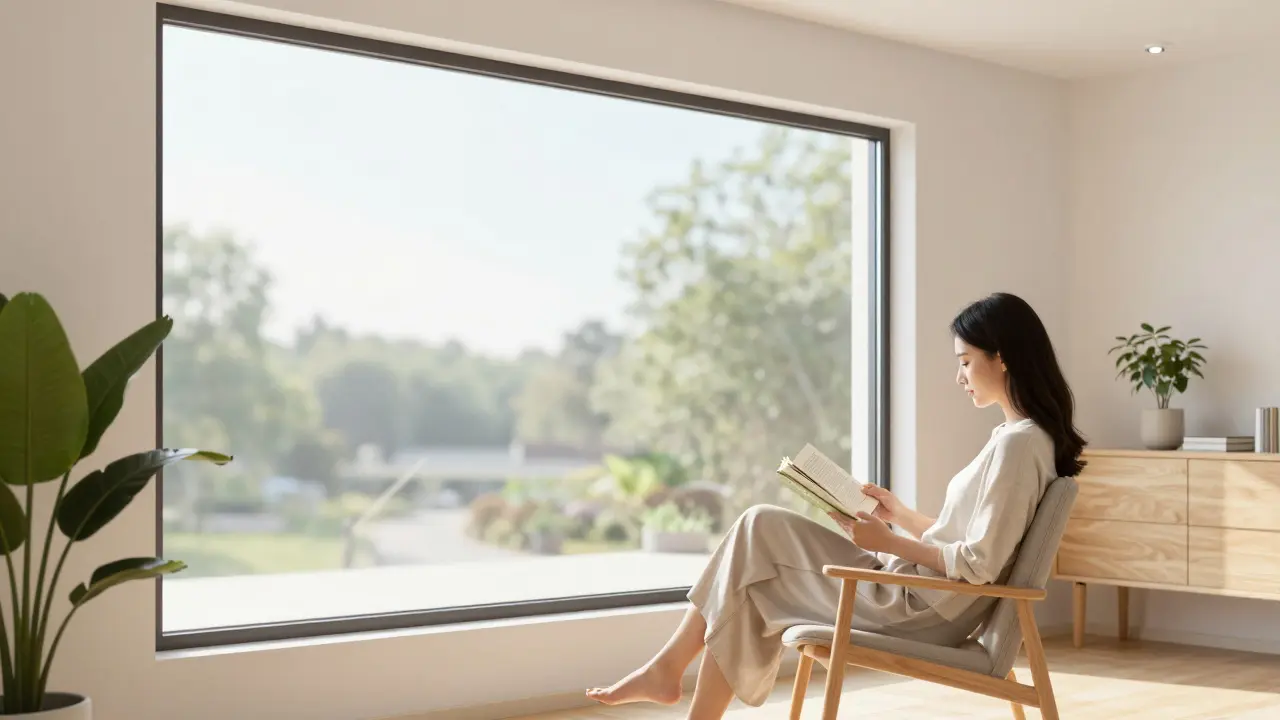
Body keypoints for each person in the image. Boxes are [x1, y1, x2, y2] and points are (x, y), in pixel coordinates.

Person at [586, 292, 1087, 719]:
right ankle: (669, 672)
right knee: (753, 555)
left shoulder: (1019, 446)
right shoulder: (1017, 438)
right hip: (919, 590)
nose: (959, 376)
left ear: (1001, 357)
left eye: (964, 361)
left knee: (756, 538)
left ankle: (668, 669)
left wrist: (888, 543)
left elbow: (979, 565)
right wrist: (901, 516)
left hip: (921, 610)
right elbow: (972, 541)